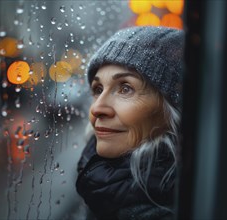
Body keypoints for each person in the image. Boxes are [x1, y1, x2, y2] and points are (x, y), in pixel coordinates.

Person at [75, 26, 185, 220]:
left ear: (172, 108)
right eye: (98, 89)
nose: (96, 109)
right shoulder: (99, 189)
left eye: (126, 88)